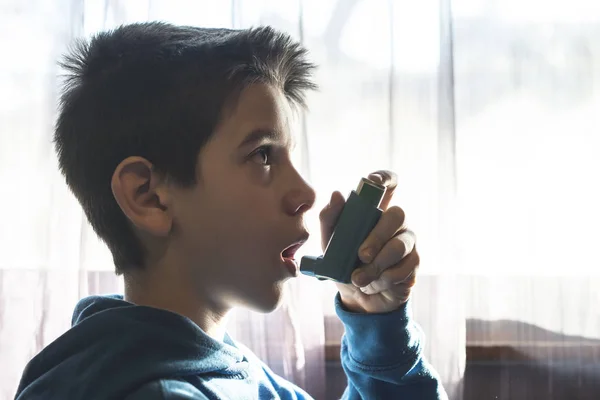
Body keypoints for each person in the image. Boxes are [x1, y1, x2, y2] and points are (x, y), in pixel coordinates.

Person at [14, 22, 447, 400]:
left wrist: (378, 324)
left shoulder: (228, 369)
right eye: (262, 156)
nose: (305, 193)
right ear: (148, 196)